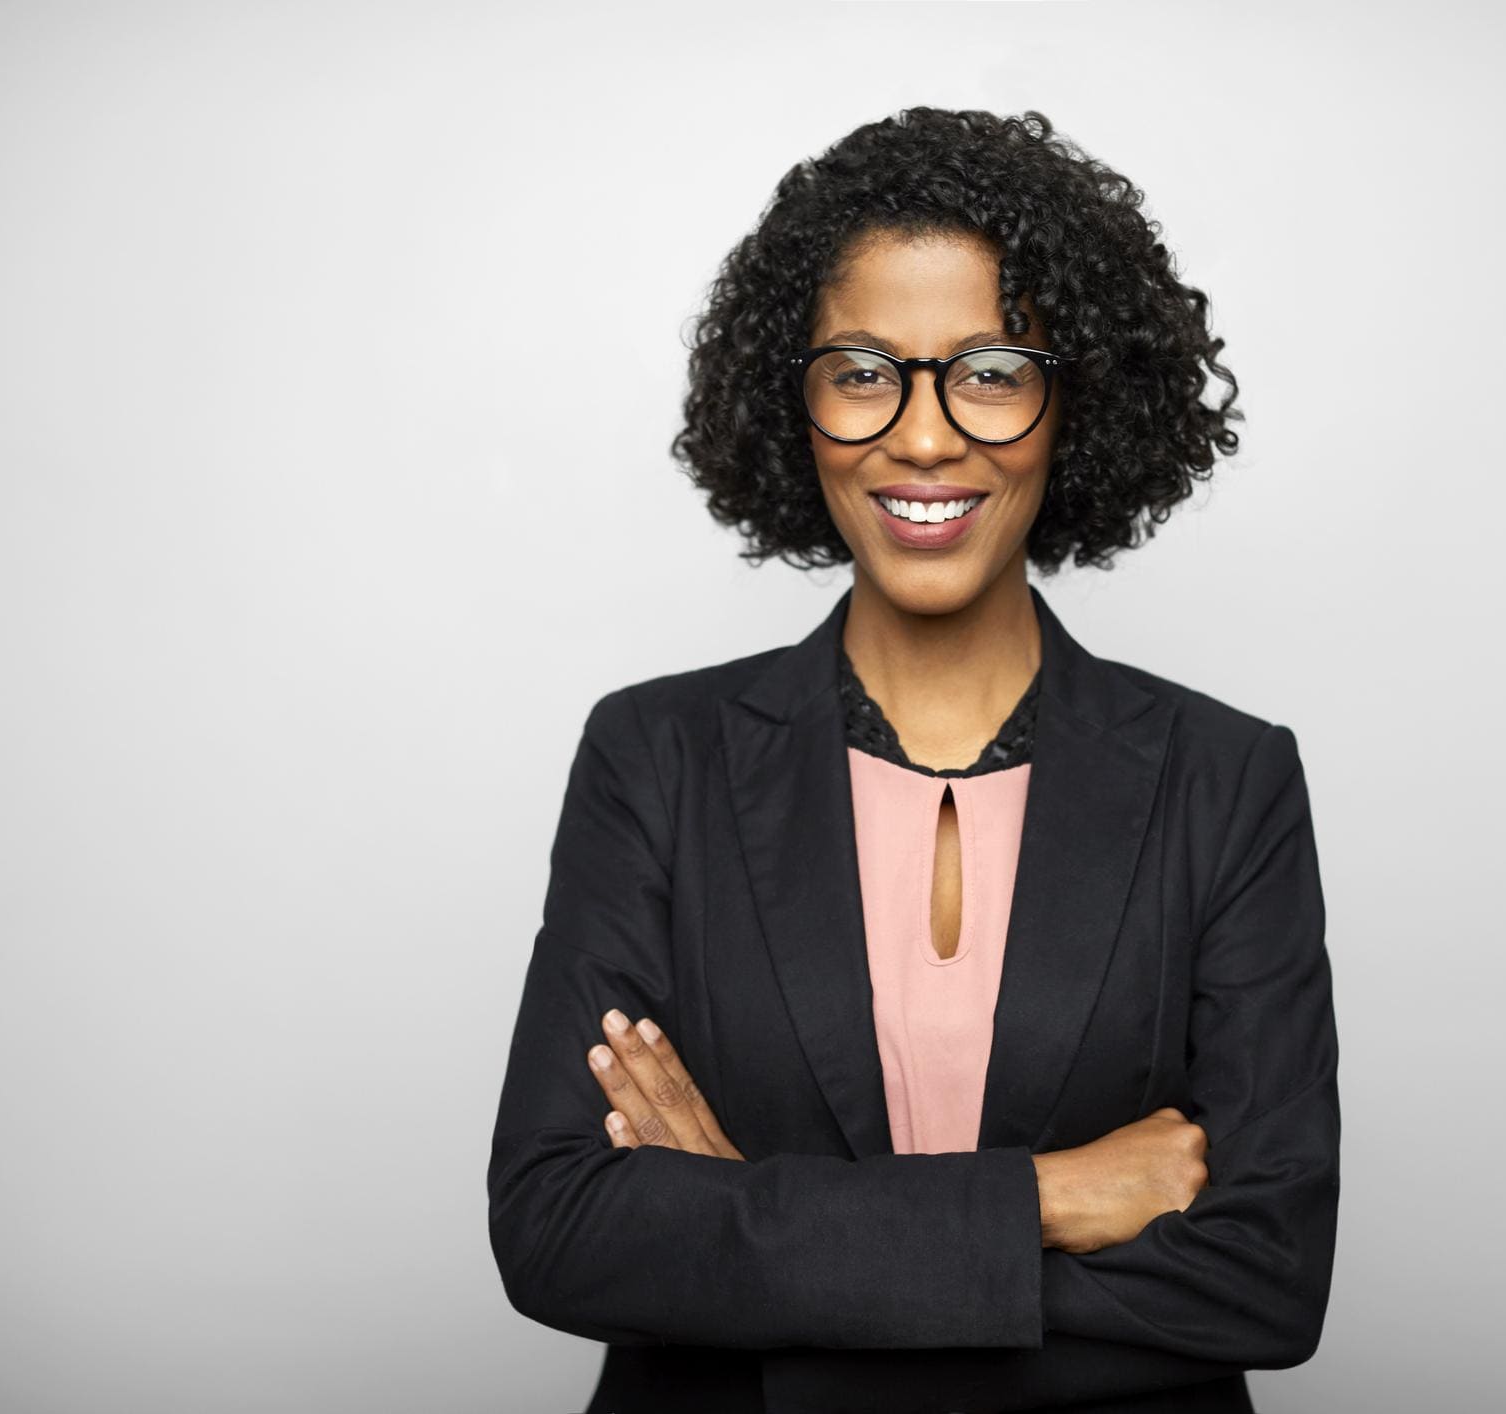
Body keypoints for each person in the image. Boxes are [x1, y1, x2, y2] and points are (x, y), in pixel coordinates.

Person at [487, 106, 1340, 1414]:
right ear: (798, 401)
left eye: (989, 369)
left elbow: (1264, 1282)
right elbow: (560, 1225)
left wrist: (742, 1243)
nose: (926, 435)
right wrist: (1048, 1199)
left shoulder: (1223, 780)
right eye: (863, 369)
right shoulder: (656, 757)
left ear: (1076, 403)